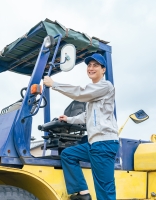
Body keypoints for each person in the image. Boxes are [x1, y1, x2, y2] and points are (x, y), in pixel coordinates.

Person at [43, 53, 119, 200]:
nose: (91, 68)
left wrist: (54, 84)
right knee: (68, 154)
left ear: (103, 70)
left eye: (95, 65)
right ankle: (83, 193)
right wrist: (69, 119)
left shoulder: (105, 86)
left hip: (104, 143)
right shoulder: (94, 94)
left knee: (104, 188)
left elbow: (80, 93)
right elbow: (86, 116)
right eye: (89, 65)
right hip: (93, 144)